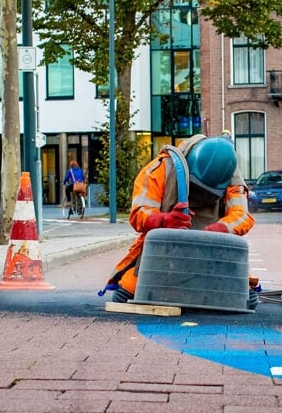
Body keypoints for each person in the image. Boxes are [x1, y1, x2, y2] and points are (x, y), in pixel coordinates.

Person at [102, 132, 258, 307]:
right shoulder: (160, 169)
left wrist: (221, 229)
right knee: (126, 293)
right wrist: (165, 220)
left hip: (212, 253)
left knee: (248, 300)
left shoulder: (231, 176)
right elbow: (139, 213)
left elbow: (242, 215)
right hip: (165, 251)